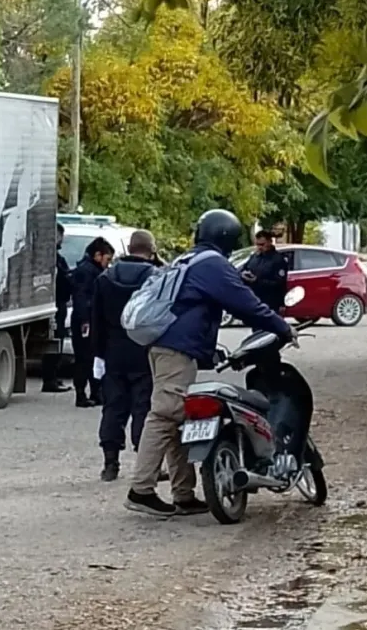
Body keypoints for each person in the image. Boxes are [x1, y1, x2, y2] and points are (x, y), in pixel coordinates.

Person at [125, 209, 296, 518]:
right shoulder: (213, 265)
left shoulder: (187, 259)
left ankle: (184, 494)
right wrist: (281, 327)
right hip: (176, 349)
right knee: (165, 414)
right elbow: (245, 303)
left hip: (166, 345)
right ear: (227, 237)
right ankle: (141, 489)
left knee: (181, 416)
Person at [91, 229, 159, 481]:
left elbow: (95, 320)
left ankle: (110, 463)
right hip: (144, 349)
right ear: (151, 251)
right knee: (144, 407)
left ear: (128, 249)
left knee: (113, 407)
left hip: (113, 351)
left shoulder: (105, 278)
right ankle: (146, 464)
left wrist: (98, 355)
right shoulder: (155, 278)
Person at [70, 237, 115, 407]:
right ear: (98, 255)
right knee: (84, 358)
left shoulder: (92, 271)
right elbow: (82, 298)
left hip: (92, 320)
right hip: (86, 321)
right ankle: (81, 394)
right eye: (107, 259)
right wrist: (85, 320)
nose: (108, 264)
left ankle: (96, 392)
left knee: (94, 357)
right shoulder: (86, 272)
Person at [42, 223, 72, 393]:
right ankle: (50, 379)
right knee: (54, 342)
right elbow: (62, 281)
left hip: (58, 304)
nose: (61, 239)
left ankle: (53, 377)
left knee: (58, 342)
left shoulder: (56, 258)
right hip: (55, 305)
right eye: (60, 235)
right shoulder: (52, 259)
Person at [241, 229, 289, 313]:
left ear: (269, 242)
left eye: (262, 244)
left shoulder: (278, 260)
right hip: (255, 300)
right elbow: (244, 269)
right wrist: (243, 274)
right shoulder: (255, 257)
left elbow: (279, 284)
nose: (259, 247)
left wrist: (257, 281)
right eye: (257, 244)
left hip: (270, 302)